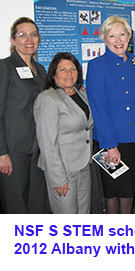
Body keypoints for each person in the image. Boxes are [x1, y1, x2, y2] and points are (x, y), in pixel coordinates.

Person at [86, 16, 135, 214]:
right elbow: (99, 109)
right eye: (112, 36)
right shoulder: (97, 65)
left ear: (129, 36)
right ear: (104, 39)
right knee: (113, 193)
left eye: (122, 34)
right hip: (112, 139)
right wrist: (110, 146)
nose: (118, 40)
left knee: (129, 192)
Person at [0, 17, 49, 213]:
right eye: (22, 35)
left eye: (33, 35)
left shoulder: (41, 70)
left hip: (38, 148)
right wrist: (1, 152)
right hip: (14, 150)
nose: (29, 39)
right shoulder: (5, 67)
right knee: (16, 205)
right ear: (13, 41)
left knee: (37, 204)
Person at [34, 52, 93, 214]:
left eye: (73, 69)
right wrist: (58, 179)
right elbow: (47, 143)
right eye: (63, 70)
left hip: (83, 166)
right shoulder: (48, 98)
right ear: (53, 74)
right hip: (63, 170)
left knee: (84, 215)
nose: (69, 74)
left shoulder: (82, 94)